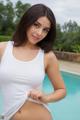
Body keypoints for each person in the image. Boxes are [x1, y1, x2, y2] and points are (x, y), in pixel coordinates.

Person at [0, 3, 66, 120]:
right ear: (26, 22)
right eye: (36, 25)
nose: (40, 33)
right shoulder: (3, 49)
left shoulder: (47, 56)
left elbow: (61, 90)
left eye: (45, 30)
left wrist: (46, 97)